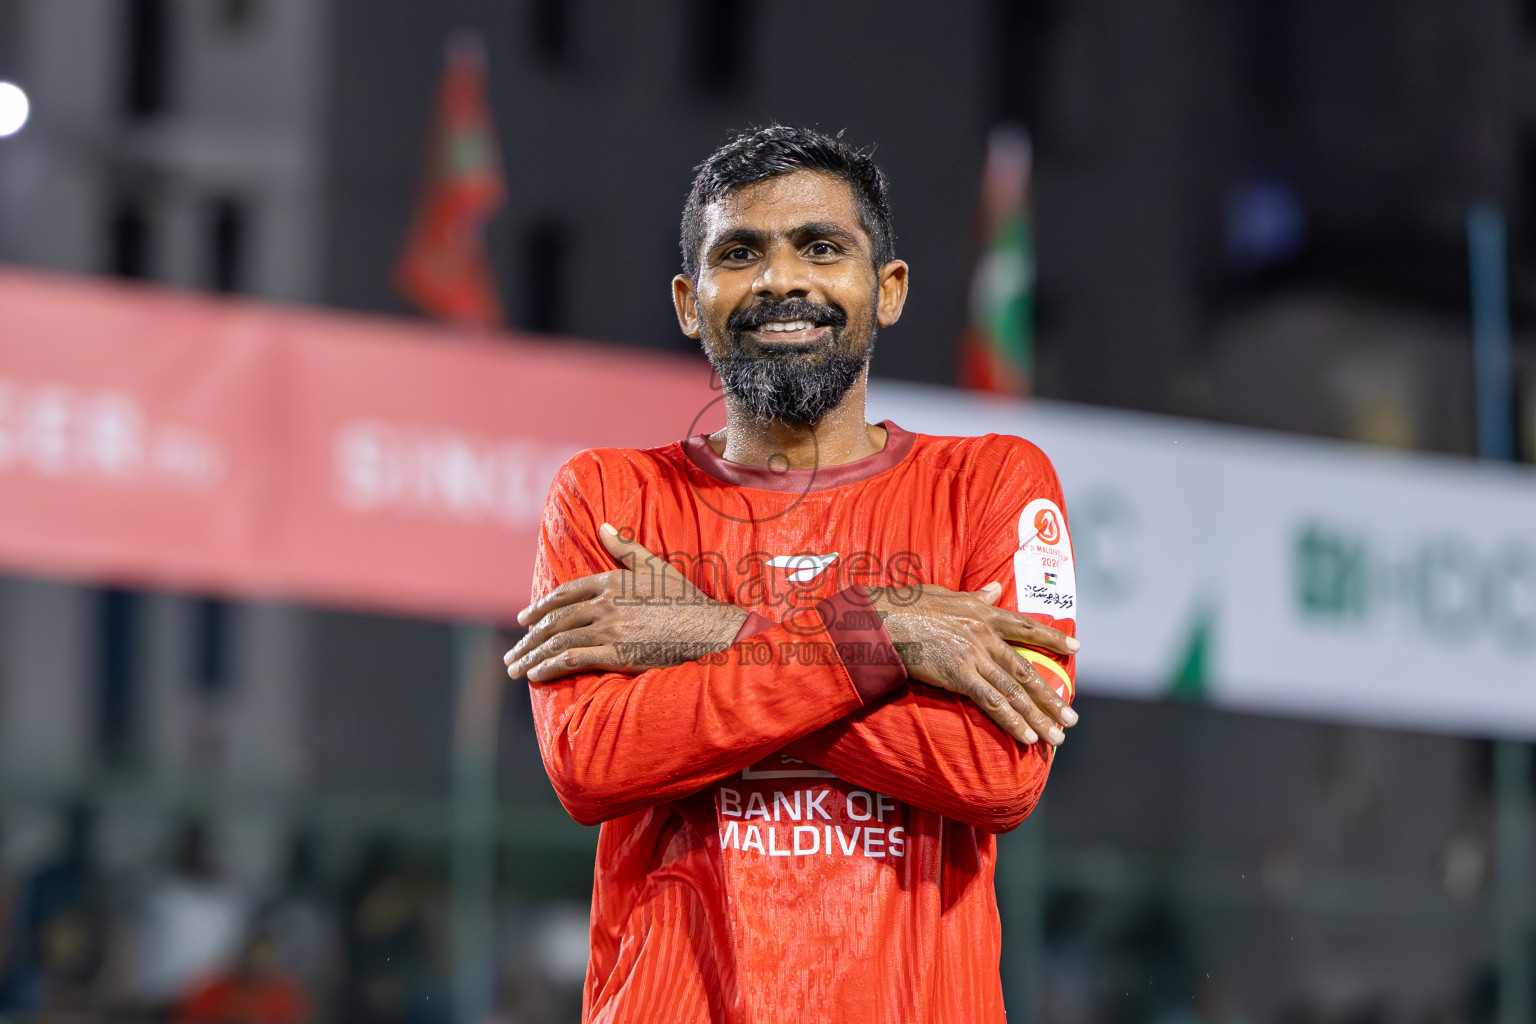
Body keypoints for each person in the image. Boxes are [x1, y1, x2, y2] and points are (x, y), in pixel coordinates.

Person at [504, 124, 1081, 1022]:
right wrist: (884, 632)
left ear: (886, 290)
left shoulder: (993, 485)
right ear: (689, 302)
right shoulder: (607, 498)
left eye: (821, 247)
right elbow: (593, 761)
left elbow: (996, 771)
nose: (781, 280)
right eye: (740, 253)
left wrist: (713, 631)